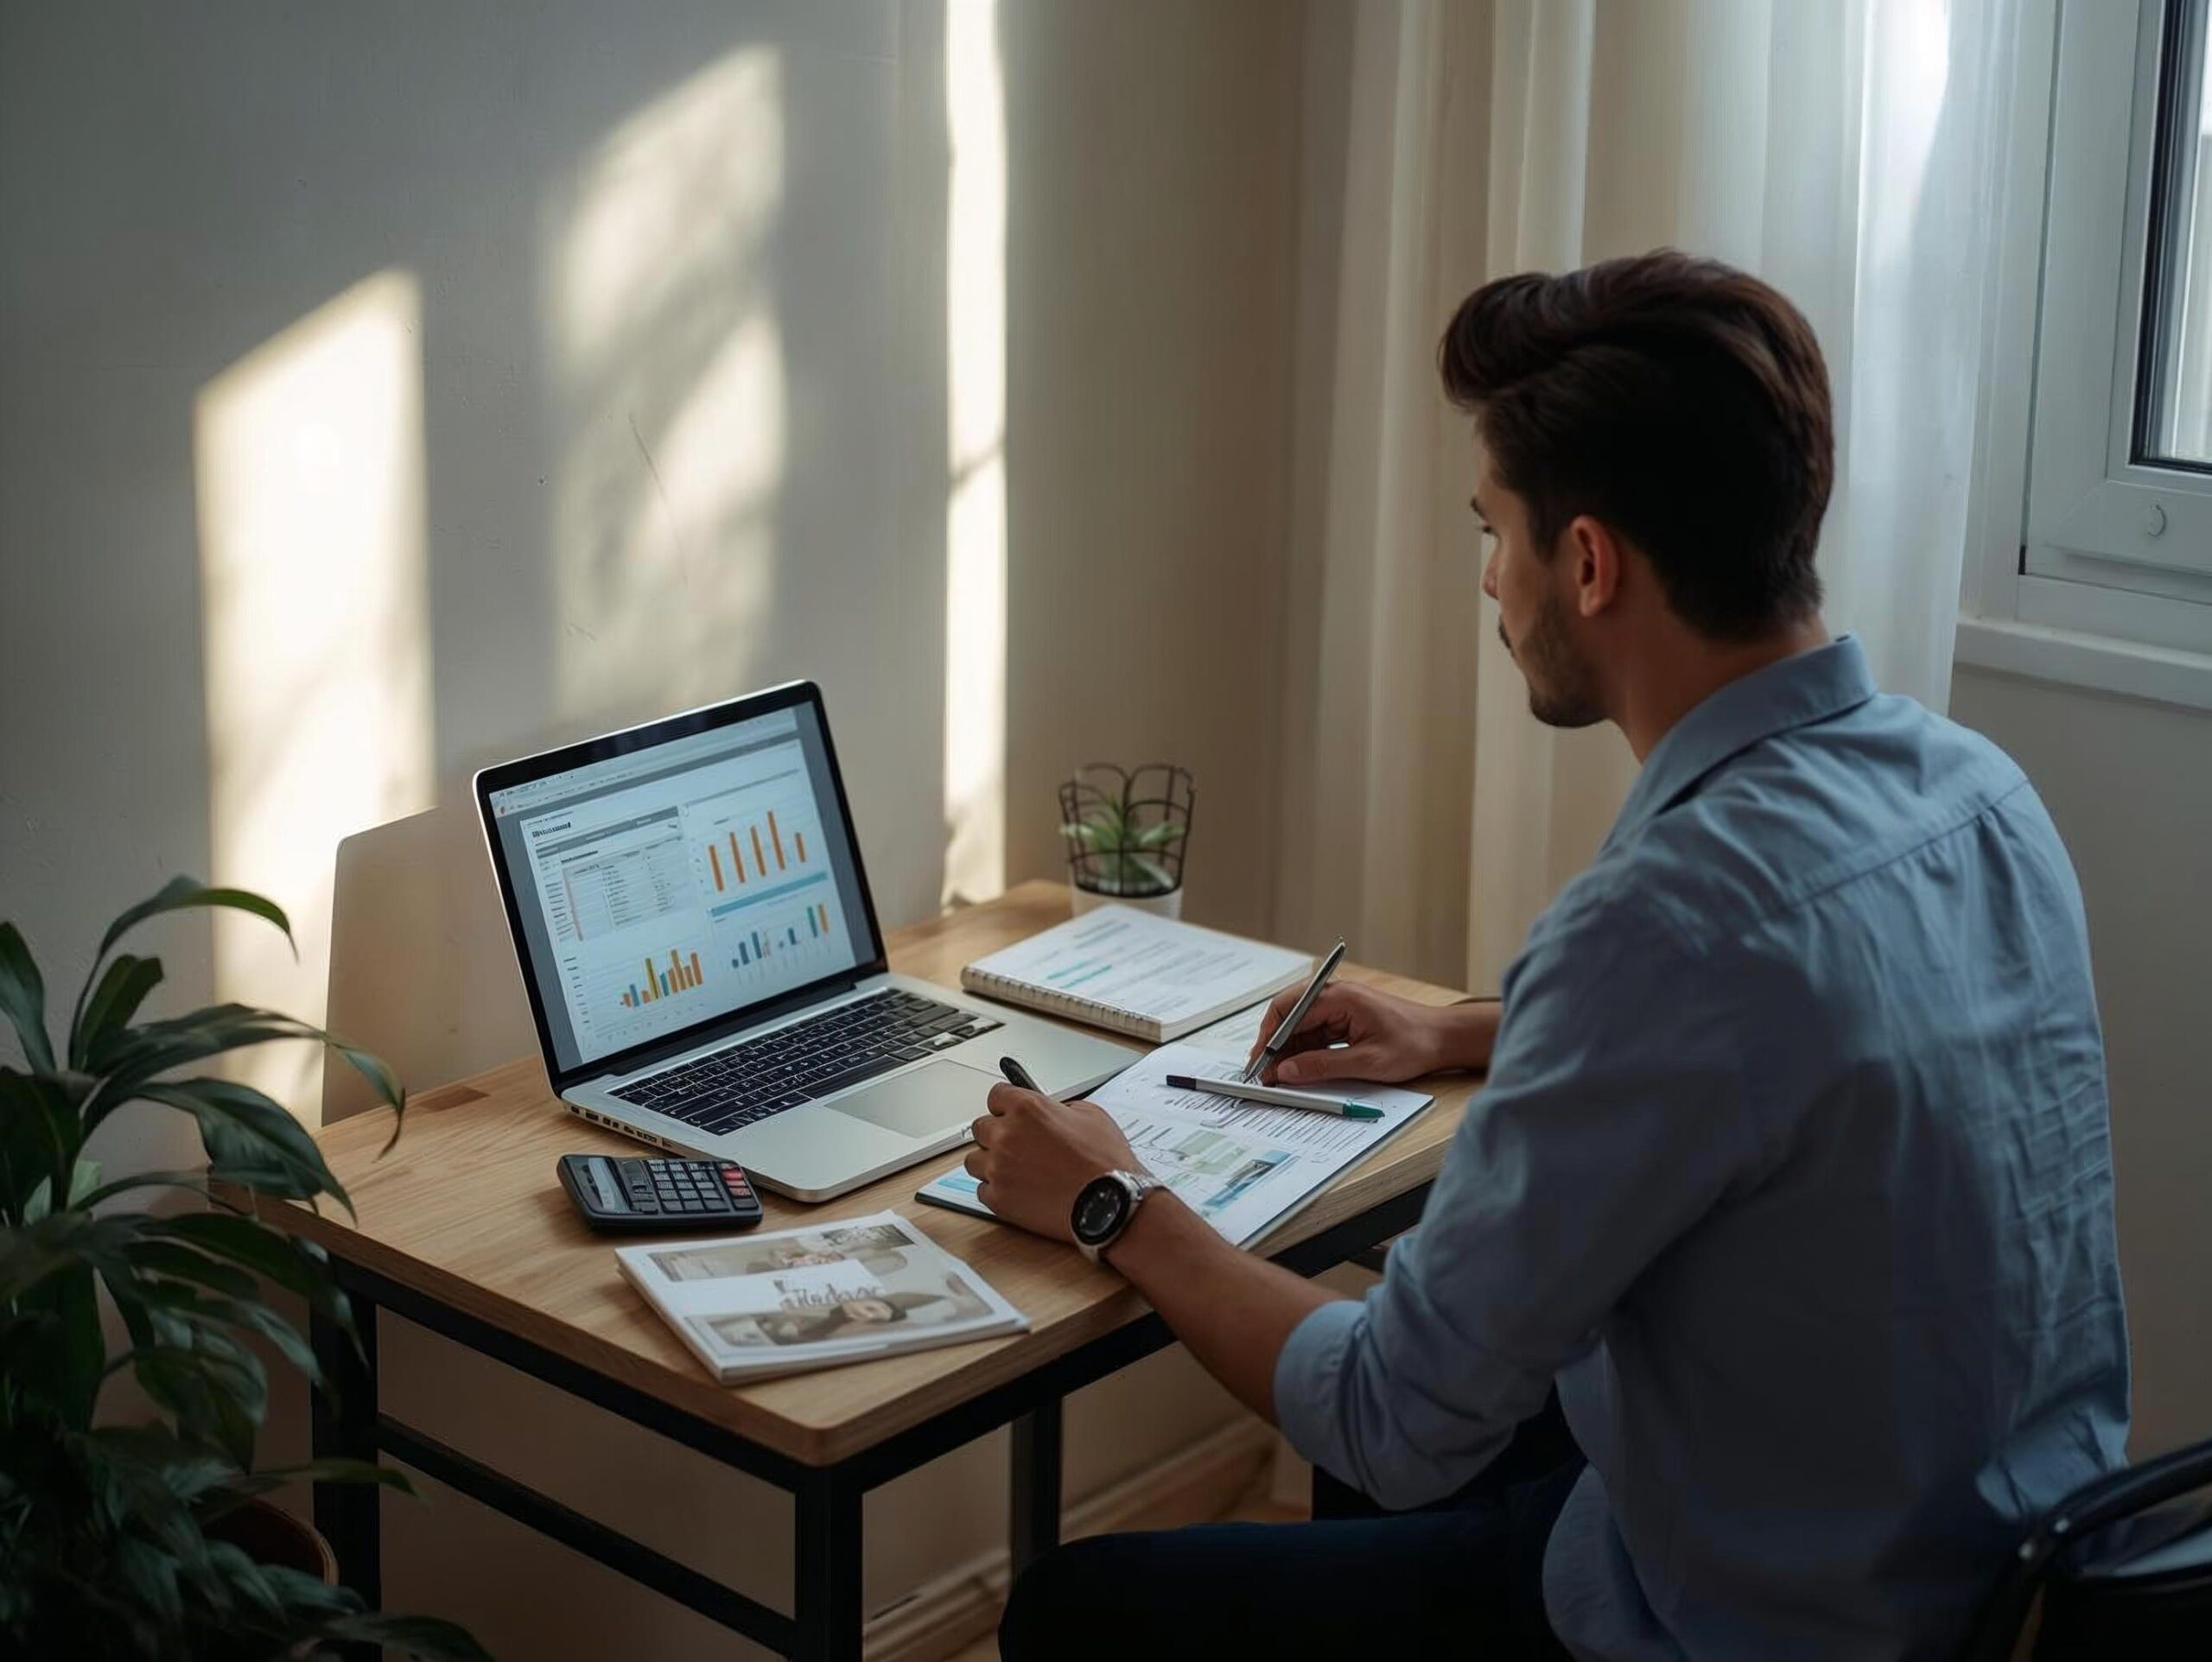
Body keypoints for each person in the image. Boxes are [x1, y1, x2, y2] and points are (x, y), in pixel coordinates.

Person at [973, 251, 2130, 1660]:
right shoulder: (1976, 790)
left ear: (1586, 563)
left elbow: (1390, 1421)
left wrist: (1114, 1202)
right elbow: (1798, 1044)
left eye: (1494, 532)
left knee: (1073, 1612)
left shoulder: (1667, 921)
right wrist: (1462, 1032)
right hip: (1992, 1577)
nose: (1485, 578)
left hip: (1751, 1625)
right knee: (1464, 1403)